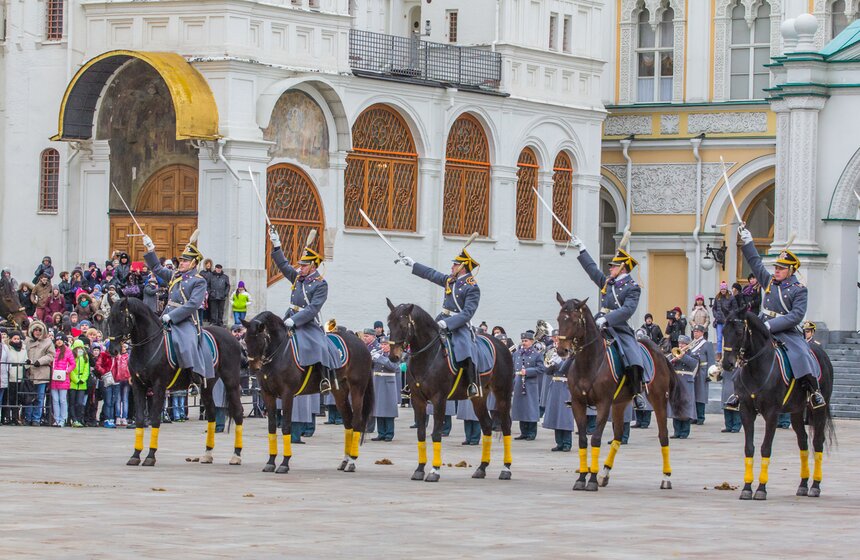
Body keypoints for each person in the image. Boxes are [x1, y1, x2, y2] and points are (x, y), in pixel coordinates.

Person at [729, 226, 825, 409]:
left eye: (781, 268)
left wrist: (771, 325)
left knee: (802, 354)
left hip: (785, 332)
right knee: (743, 353)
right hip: (762, 328)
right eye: (776, 267)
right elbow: (755, 263)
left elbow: (796, 316)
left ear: (791, 271)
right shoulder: (769, 282)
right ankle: (737, 393)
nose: (777, 270)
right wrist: (748, 242)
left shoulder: (799, 289)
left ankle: (813, 392)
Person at [571, 236, 649, 408]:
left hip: (618, 327)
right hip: (599, 324)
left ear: (622, 268)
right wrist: (582, 249)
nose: (610, 268)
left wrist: (607, 319)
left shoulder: (632, 287)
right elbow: (592, 271)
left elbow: (627, 310)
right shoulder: (609, 283)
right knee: (578, 345)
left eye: (613, 266)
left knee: (633, 356)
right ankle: (575, 388)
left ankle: (636, 392)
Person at [399, 248, 482, 398]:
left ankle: (471, 384)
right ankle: (411, 382)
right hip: (442, 318)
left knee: (465, 348)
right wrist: (413, 264)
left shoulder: (472, 287)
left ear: (463, 267)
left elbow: (467, 313)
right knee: (419, 340)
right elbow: (432, 274)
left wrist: (447, 323)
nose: (452, 267)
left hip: (458, 324)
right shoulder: (451, 280)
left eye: (455, 265)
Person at [268, 228, 340, 393]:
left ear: (313, 265)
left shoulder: (321, 284)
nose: (300, 268)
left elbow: (314, 308)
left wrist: (296, 320)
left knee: (320, 345)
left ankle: (324, 379)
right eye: (300, 265)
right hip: (289, 316)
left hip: (306, 321)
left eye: (304, 265)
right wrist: (277, 245)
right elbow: (283, 265)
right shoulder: (297, 278)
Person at [141, 231, 216, 381]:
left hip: (186, 321)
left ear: (194, 263)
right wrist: (150, 250)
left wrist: (173, 316)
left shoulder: (199, 281)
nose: (181, 263)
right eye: (181, 260)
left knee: (188, 344)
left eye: (185, 261)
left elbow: (193, 304)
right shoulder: (174, 275)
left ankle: (193, 378)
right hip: (166, 316)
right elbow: (156, 268)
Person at [541, 333, 573, 451]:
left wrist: (560, 362)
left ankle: (567, 443)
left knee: (564, 416)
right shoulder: (554, 353)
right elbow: (547, 371)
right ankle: (559, 442)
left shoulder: (571, 355)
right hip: (554, 385)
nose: (557, 344)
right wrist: (551, 364)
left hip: (565, 386)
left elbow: (569, 369)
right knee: (555, 415)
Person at [511, 332, 544, 440]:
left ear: (531, 341)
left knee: (530, 409)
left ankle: (531, 433)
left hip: (530, 384)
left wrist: (528, 371)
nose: (524, 343)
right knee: (521, 408)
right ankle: (523, 432)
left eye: (526, 341)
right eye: (523, 341)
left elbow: (541, 369)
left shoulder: (536, 354)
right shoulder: (517, 353)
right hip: (519, 383)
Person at [370, 336, 401, 441]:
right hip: (378, 383)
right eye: (382, 344)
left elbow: (394, 367)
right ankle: (381, 433)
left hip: (388, 384)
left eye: (385, 344)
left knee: (388, 409)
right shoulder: (379, 354)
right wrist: (370, 358)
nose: (383, 346)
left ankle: (389, 433)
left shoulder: (395, 355)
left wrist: (379, 358)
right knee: (378, 409)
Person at [668, 335, 698, 439]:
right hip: (676, 382)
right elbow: (667, 364)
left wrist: (683, 356)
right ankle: (677, 431)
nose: (680, 345)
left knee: (685, 406)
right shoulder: (673, 354)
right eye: (680, 343)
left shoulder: (692, 354)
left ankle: (684, 432)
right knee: (676, 405)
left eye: (683, 344)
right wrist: (673, 359)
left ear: (687, 345)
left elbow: (694, 364)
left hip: (687, 382)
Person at [25, 320, 53, 426]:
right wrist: (26, 361)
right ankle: (28, 417)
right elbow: (23, 352)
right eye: (35, 330)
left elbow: (51, 355)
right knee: (28, 397)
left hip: (41, 372)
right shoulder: (27, 341)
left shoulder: (48, 342)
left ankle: (36, 418)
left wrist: (40, 361)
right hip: (29, 373)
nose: (37, 332)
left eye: (39, 330)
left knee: (40, 397)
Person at [688, 325, 714, 425]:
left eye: (698, 332)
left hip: (702, 371)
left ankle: (701, 417)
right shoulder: (691, 344)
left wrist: (710, 373)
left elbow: (711, 360)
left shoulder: (707, 344)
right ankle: (693, 416)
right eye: (694, 332)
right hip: (693, 371)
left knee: (700, 395)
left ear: (702, 333)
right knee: (693, 395)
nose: (695, 333)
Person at [50, 333, 75, 427]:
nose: (59, 341)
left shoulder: (68, 351)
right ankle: (56, 419)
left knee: (62, 399)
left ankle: (63, 419)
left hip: (63, 378)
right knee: (55, 400)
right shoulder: (53, 351)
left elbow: (73, 364)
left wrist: (66, 371)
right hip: (54, 378)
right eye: (57, 340)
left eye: (60, 340)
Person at [3, 330, 27, 425]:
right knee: (10, 397)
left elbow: (26, 359)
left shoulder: (23, 348)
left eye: (18, 338)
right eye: (15, 338)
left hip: (20, 374)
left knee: (18, 398)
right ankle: (7, 417)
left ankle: (16, 417)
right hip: (11, 374)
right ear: (11, 339)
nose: (17, 340)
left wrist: (28, 362)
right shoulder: (8, 348)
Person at [66, 338, 89, 427]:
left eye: (81, 347)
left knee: (80, 402)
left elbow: (86, 369)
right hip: (73, 383)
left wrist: (83, 379)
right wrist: (76, 379)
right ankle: (73, 419)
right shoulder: (71, 356)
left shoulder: (85, 356)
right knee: (72, 402)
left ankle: (79, 419)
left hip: (82, 383)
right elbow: (70, 369)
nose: (79, 349)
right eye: (77, 347)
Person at [112, 342, 131, 426]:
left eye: (124, 347)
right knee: (118, 399)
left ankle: (124, 417)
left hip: (126, 379)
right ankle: (118, 417)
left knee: (125, 399)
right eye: (122, 347)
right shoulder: (117, 357)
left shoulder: (128, 357)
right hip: (117, 379)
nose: (123, 348)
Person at [712, 281, 732, 358]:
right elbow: (714, 308)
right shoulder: (717, 298)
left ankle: (726, 354)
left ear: (726, 289)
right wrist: (716, 315)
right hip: (719, 321)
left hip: (727, 321)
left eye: (724, 289)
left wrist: (729, 316)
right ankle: (719, 353)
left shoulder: (730, 298)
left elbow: (732, 309)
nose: (723, 290)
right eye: (722, 289)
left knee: (727, 338)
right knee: (719, 338)